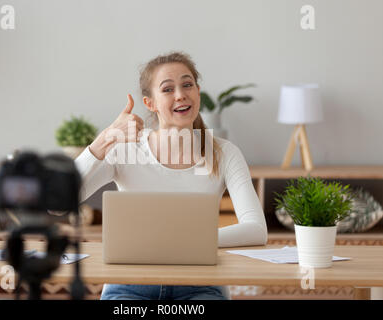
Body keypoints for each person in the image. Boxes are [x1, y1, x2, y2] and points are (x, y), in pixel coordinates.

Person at [75, 51, 268, 300]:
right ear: (150, 103)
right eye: (167, 89)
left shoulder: (224, 153)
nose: (180, 94)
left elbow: (256, 230)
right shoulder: (124, 148)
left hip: (201, 286)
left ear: (198, 92)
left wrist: (183, 243)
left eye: (188, 85)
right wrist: (103, 141)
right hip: (129, 286)